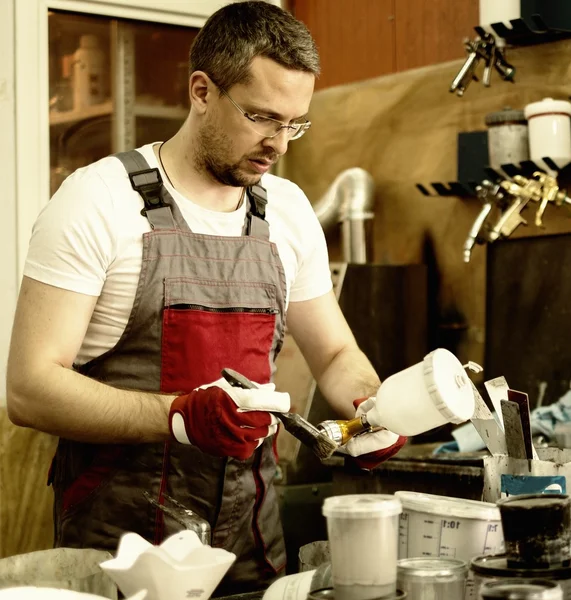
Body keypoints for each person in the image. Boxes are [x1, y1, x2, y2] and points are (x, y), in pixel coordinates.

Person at [6, 1, 406, 594]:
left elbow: (335, 354)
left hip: (253, 545)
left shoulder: (288, 211)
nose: (279, 144)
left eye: (294, 122)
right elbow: (29, 389)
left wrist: (372, 411)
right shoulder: (98, 202)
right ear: (201, 90)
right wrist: (178, 416)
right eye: (262, 117)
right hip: (125, 554)